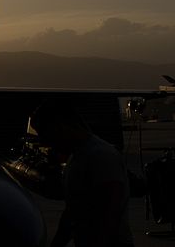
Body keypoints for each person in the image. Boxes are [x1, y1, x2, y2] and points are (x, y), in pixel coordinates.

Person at [29, 99, 135, 247]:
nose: (44, 141)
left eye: (45, 133)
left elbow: (110, 212)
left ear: (62, 126)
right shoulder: (78, 157)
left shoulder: (101, 156)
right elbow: (73, 212)